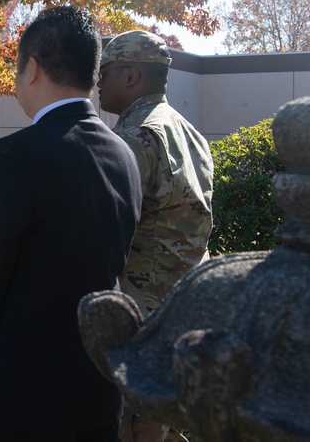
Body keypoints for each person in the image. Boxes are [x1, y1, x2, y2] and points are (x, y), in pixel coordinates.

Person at [0, 5, 141, 442]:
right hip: (100, 380)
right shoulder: (123, 154)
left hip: (28, 391)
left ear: (32, 69)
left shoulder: (18, 155)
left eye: (18, 71)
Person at [96, 30, 214, 442]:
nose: (98, 81)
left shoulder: (135, 137)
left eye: (105, 71)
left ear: (130, 76)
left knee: (135, 424)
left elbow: (105, 230)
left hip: (139, 315)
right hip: (182, 307)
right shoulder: (189, 133)